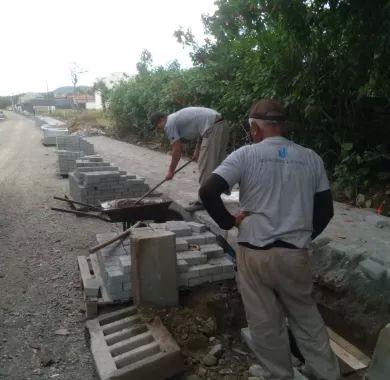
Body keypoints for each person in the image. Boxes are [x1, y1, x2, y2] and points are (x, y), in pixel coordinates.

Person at [199, 99, 340, 380]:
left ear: (255, 128)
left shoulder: (245, 155)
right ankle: (327, 375)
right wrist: (303, 235)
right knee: (306, 318)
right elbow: (326, 210)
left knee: (265, 321)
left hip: (254, 253)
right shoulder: (311, 157)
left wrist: (228, 221)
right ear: (282, 125)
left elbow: (208, 192)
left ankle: (280, 375)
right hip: (294, 255)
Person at [150, 107, 229, 210]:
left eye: (157, 126)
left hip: (213, 128)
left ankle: (204, 201)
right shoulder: (175, 118)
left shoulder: (169, 124)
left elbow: (177, 150)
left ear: (161, 120)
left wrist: (171, 171)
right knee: (216, 165)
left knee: (205, 166)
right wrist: (197, 150)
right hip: (220, 124)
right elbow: (200, 129)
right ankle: (215, 195)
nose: (158, 130)